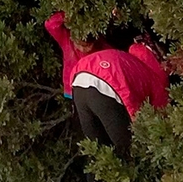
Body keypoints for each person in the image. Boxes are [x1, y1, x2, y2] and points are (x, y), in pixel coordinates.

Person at [46, 11, 169, 160]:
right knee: (128, 153)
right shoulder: (156, 83)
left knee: (97, 154)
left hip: (80, 80)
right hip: (100, 82)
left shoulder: (122, 55)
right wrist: (134, 118)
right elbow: (124, 88)